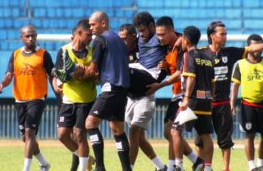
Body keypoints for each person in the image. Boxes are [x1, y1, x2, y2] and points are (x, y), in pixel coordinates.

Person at [203, 21, 263, 171]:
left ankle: (226, 168)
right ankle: (205, 167)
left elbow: (254, 48)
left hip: (223, 104)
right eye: (222, 34)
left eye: (226, 33)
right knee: (201, 139)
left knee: (225, 140)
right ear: (212, 36)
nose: (226, 36)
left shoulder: (231, 52)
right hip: (205, 103)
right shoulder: (201, 54)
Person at [66, 11, 131, 171]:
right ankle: (126, 169)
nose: (91, 27)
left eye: (93, 24)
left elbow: (92, 70)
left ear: (103, 23)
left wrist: (76, 75)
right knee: (117, 130)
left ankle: (100, 167)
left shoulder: (100, 40)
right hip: (123, 91)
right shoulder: (118, 40)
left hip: (110, 89)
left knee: (90, 123)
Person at [146, 16, 204, 171]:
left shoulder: (182, 46)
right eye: (158, 34)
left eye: (163, 34)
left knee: (172, 131)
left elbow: (180, 73)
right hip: (176, 94)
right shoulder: (165, 47)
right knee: (169, 132)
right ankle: (196, 161)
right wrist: (164, 68)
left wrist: (160, 85)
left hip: (184, 95)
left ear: (173, 31)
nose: (159, 38)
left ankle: (175, 166)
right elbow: (172, 69)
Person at [0, 25, 53, 171]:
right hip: (20, 99)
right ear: (21, 37)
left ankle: (25, 169)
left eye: (33, 35)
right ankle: (44, 163)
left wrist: (58, 90)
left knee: (29, 132)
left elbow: (52, 75)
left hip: (37, 97)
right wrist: (2, 84)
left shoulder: (44, 54)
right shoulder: (15, 55)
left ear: (36, 36)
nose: (30, 38)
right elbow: (9, 75)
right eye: (27, 36)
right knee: (26, 138)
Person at [125, 12, 167, 170]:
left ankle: (128, 167)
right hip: (134, 92)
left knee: (134, 131)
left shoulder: (161, 38)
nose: (141, 34)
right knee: (139, 138)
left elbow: (178, 39)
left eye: (143, 30)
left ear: (152, 26)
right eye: (139, 31)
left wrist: (168, 64)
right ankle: (161, 167)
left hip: (148, 84)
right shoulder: (139, 41)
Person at [52, 19, 96, 171]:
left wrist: (83, 73)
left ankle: (83, 168)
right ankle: (87, 158)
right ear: (78, 33)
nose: (91, 38)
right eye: (88, 34)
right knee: (62, 135)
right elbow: (56, 73)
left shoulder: (93, 51)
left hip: (86, 99)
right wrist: (56, 85)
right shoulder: (64, 51)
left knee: (79, 134)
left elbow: (97, 75)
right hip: (68, 99)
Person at [231, 34, 263, 171]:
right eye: (254, 46)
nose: (257, 49)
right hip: (248, 106)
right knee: (249, 135)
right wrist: (232, 104)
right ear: (248, 47)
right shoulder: (240, 64)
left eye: (260, 46)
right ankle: (251, 166)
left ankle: (260, 164)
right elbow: (235, 86)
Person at [172, 25, 215, 171]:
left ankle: (179, 165)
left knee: (175, 131)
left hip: (192, 100)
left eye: (182, 38)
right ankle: (207, 168)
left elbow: (191, 79)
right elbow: (213, 82)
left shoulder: (188, 55)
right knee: (205, 135)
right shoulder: (209, 57)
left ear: (186, 40)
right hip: (207, 100)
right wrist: (211, 98)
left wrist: (186, 99)